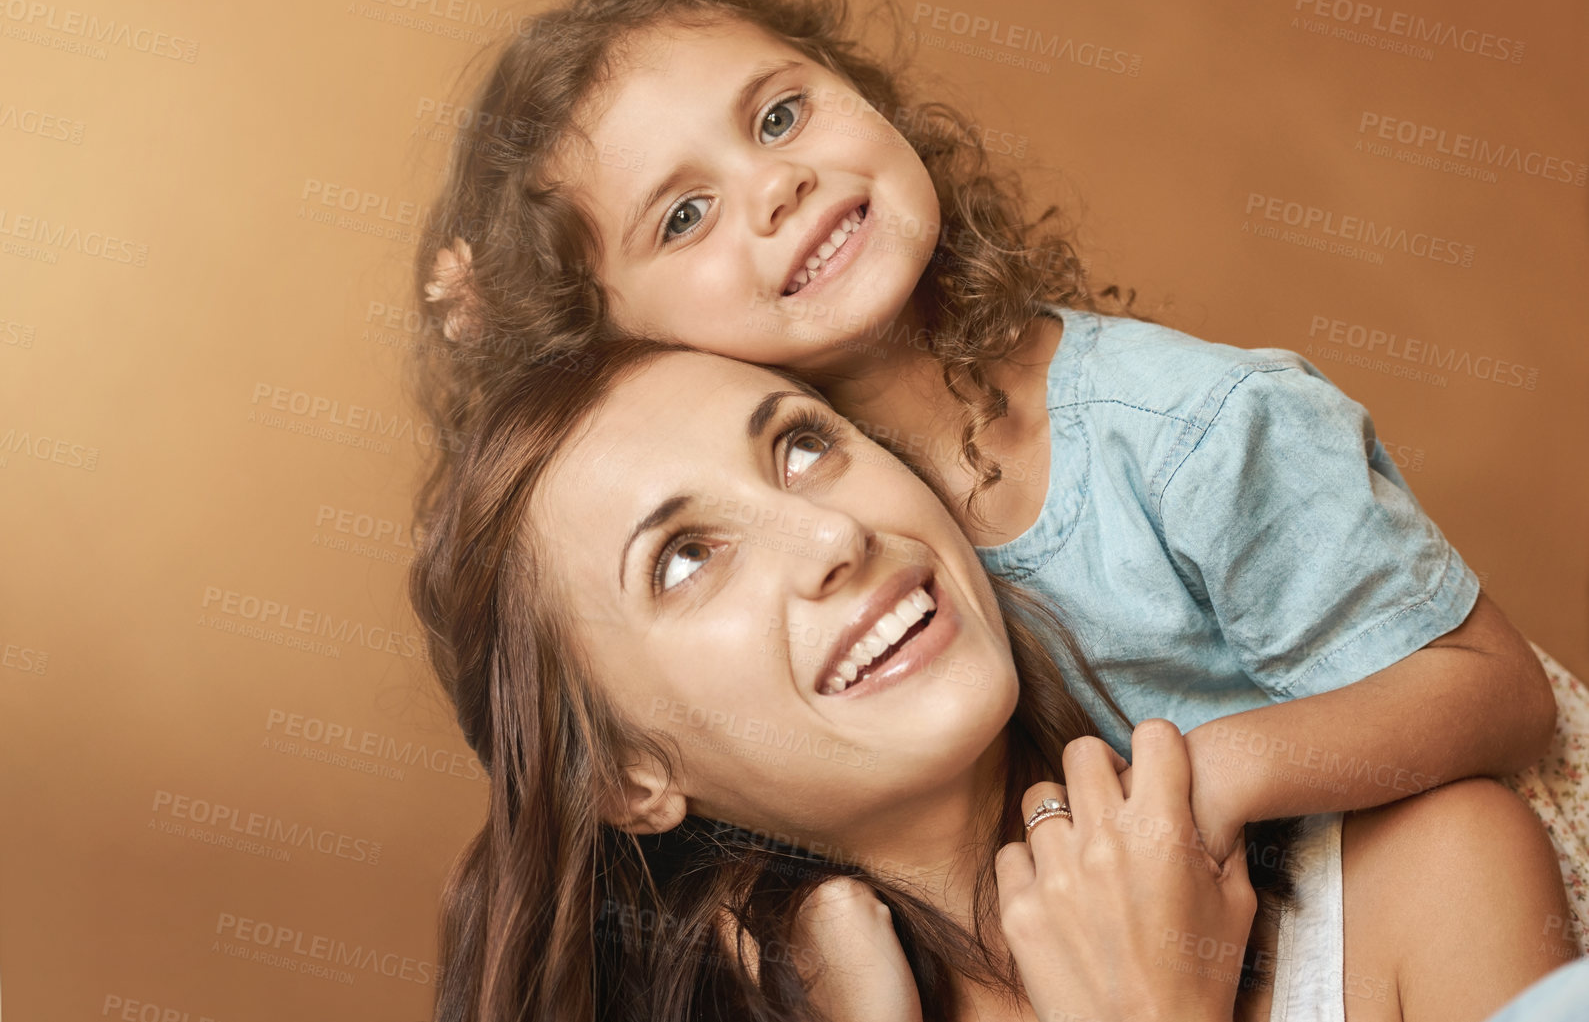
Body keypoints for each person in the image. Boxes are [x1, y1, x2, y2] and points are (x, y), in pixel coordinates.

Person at [412, 0, 1587, 940]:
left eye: (779, 115)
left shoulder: (1188, 433)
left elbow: (1498, 695)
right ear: (611, 353)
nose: (776, 186)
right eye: (683, 214)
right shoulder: (813, 590)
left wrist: (1209, 775)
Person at [405, 338, 1577, 1021]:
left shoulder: (1425, 881)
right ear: (625, 774)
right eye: (684, 558)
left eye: (802, 444)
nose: (830, 540)